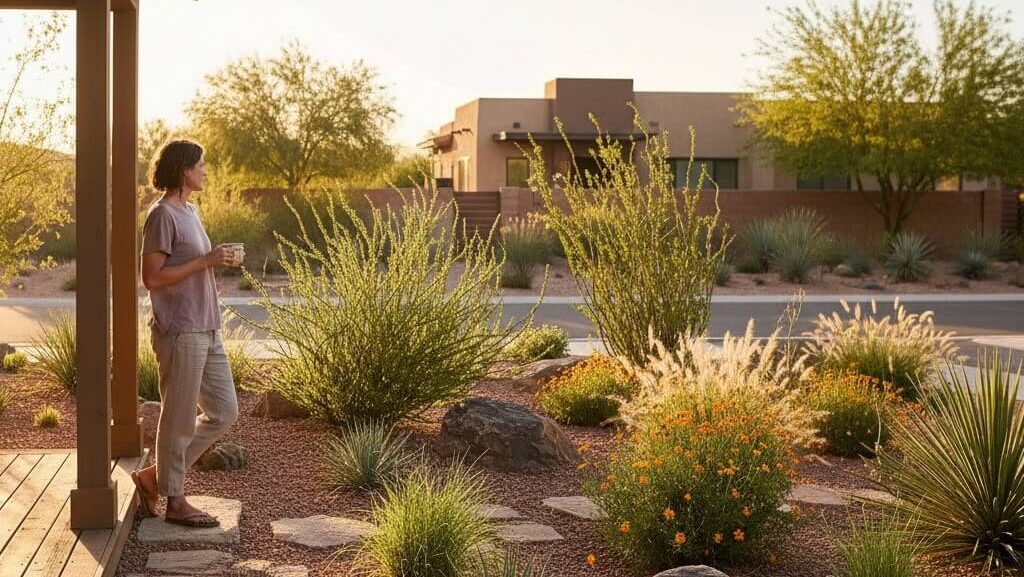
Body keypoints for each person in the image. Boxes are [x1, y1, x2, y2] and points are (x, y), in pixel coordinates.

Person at [130, 139, 238, 528]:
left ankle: (154, 479)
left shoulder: (189, 211)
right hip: (180, 330)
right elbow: (151, 278)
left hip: (207, 327)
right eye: (201, 165)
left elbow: (192, 264)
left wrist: (215, 260)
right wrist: (206, 260)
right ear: (183, 171)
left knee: (225, 411)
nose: (206, 171)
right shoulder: (161, 216)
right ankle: (175, 500)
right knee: (177, 419)